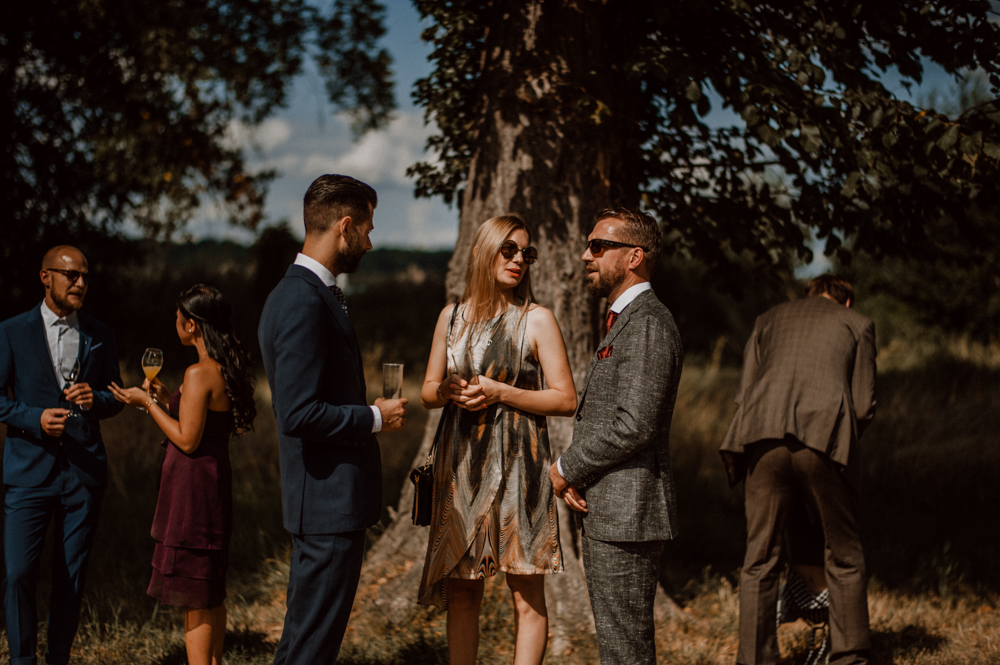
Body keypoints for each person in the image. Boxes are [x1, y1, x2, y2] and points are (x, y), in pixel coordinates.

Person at [257, 173, 408, 664]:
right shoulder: (303, 300)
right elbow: (298, 412)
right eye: (366, 229)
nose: (369, 241)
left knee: (306, 640)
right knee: (310, 647)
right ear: (344, 227)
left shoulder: (299, 292)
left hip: (322, 503)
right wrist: (374, 418)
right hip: (326, 503)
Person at [418, 214, 577, 665]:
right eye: (508, 250)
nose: (519, 261)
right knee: (463, 591)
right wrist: (447, 390)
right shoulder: (451, 318)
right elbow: (428, 392)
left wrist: (502, 392)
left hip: (520, 470)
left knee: (525, 592)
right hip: (462, 467)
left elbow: (566, 399)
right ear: (481, 252)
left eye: (526, 253)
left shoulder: (536, 319)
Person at [719, 273, 877, 665]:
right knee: (844, 555)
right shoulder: (858, 323)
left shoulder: (768, 318)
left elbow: (744, 394)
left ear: (810, 294)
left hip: (761, 437)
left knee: (759, 559)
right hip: (823, 438)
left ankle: (755, 659)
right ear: (846, 301)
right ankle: (849, 657)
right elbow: (862, 406)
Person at [548, 207, 683, 665]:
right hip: (613, 509)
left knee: (625, 650)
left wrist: (567, 468)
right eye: (589, 245)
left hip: (630, 515)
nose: (586, 255)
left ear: (634, 257)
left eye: (599, 246)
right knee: (618, 645)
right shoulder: (626, 319)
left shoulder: (646, 322)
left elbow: (635, 424)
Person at [110, 284, 256, 665]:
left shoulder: (197, 373)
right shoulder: (223, 368)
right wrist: (164, 399)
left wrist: (145, 403)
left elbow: (187, 440)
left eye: (178, 319)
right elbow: (208, 427)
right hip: (212, 485)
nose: (175, 324)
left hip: (193, 492)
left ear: (192, 326)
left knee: (194, 595)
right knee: (210, 591)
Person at [0, 245, 124, 665]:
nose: (80, 283)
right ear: (45, 277)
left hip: (82, 474)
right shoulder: (12, 331)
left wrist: (98, 399)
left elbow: (116, 396)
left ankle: (58, 659)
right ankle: (21, 660)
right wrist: (34, 419)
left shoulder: (100, 334)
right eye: (70, 275)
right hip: (27, 472)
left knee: (70, 578)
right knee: (17, 574)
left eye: (85, 276)